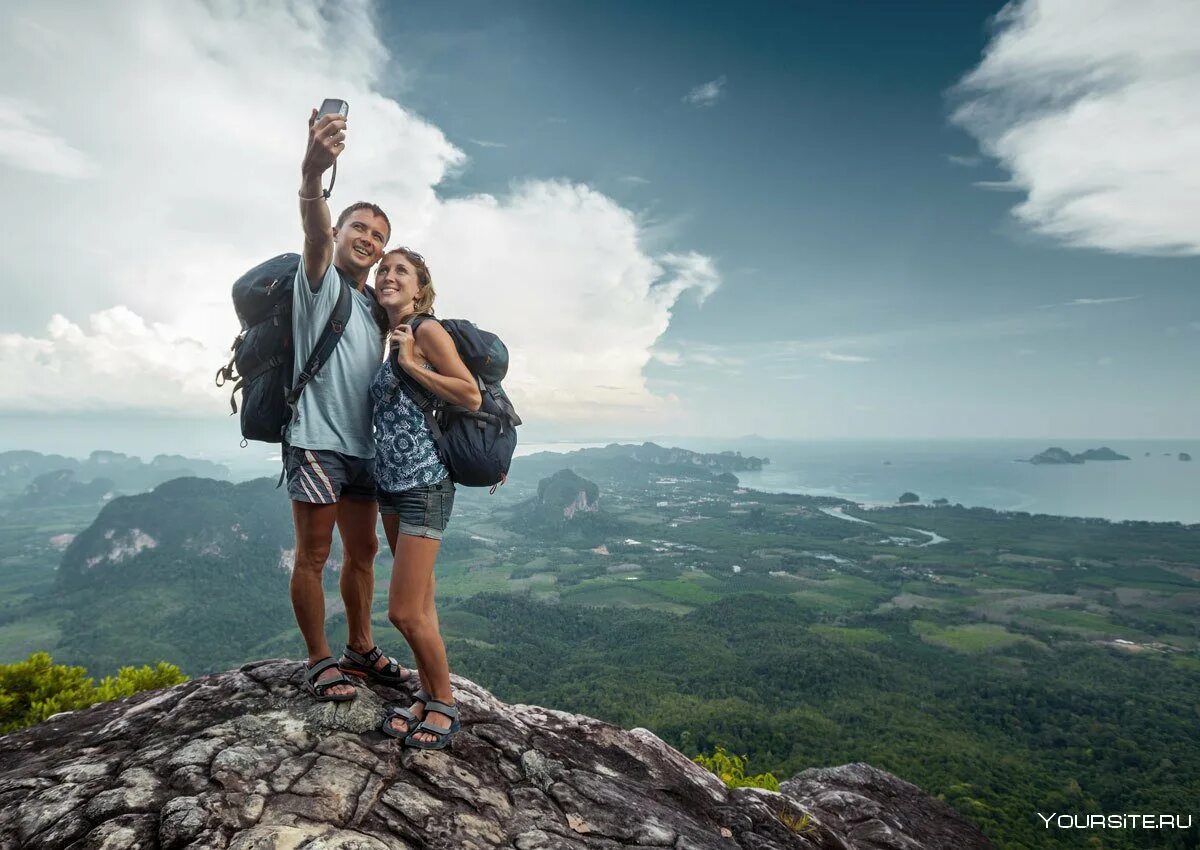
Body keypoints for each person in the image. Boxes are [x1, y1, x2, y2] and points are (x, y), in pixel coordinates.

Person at [290, 107, 410, 702]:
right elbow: (312, 228)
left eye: (379, 237)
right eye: (359, 228)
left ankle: (360, 648)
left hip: (364, 450)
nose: (369, 239)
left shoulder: (373, 307)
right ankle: (318, 659)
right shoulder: (319, 282)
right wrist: (314, 173)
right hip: (317, 440)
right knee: (313, 554)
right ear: (340, 234)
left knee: (361, 554)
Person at [371, 248, 481, 748]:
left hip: (425, 485)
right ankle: (427, 693)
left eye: (401, 271)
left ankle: (445, 705)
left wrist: (412, 364)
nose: (388, 276)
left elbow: (469, 394)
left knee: (403, 612)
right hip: (390, 486)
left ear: (420, 288)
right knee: (424, 604)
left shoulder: (426, 330)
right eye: (383, 270)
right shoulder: (384, 337)